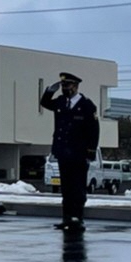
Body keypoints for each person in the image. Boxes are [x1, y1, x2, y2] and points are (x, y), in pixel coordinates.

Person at [39, 71, 100, 233]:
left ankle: (77, 218)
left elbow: (94, 131)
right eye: (63, 85)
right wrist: (50, 91)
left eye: (68, 85)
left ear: (76, 86)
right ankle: (66, 217)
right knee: (66, 188)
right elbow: (44, 103)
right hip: (63, 152)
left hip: (79, 153)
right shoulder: (60, 102)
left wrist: (90, 152)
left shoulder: (87, 105)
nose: (65, 88)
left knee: (78, 187)